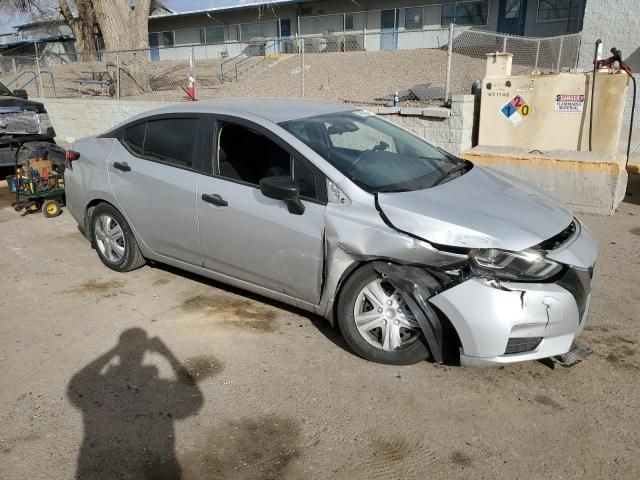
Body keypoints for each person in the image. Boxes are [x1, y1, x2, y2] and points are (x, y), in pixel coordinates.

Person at [67, 328, 203, 479]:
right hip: (154, 470)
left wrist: (115, 351)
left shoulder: (101, 387)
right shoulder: (160, 389)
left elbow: (77, 385)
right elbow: (194, 398)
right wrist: (167, 353)